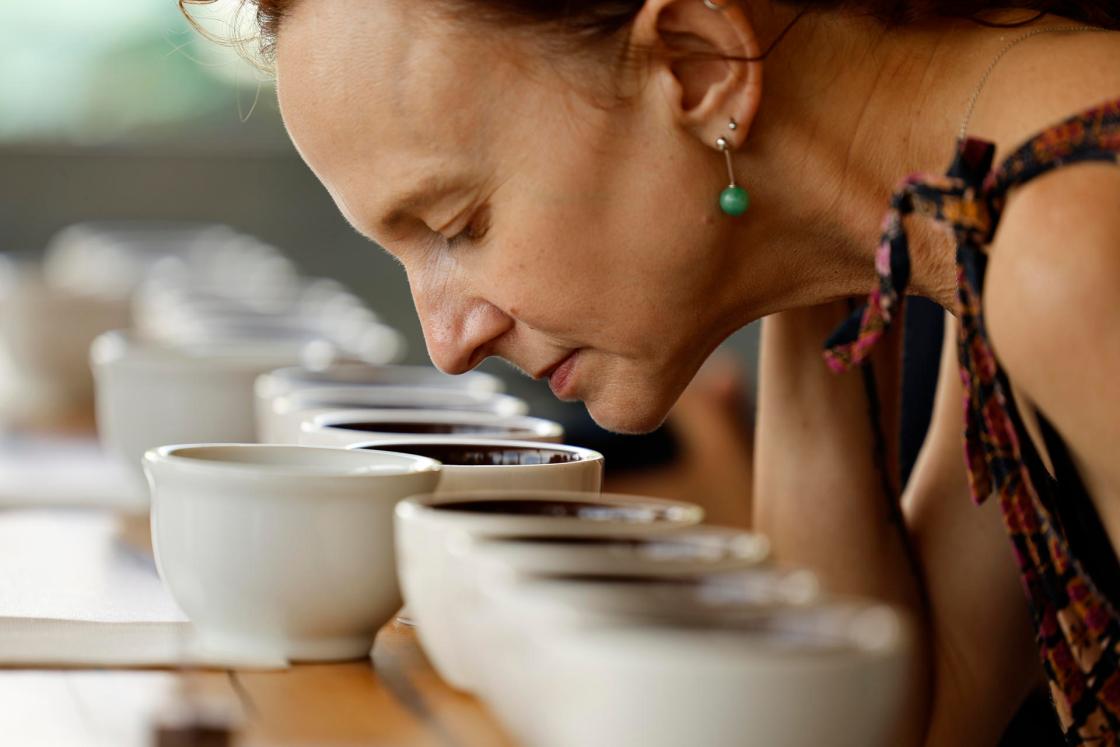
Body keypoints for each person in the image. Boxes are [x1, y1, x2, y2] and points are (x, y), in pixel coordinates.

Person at [182, 1, 1120, 743]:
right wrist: (798, 257)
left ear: (702, 65)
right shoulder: (985, 208)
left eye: (459, 224)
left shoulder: (1077, 244)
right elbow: (896, 719)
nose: (447, 343)